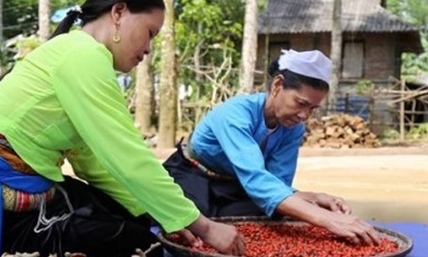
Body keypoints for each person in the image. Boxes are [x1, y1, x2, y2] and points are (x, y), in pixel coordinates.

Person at [0, 0, 245, 257]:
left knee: (135, 223)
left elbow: (93, 162)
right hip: (0, 208)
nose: (148, 48)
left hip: (26, 188)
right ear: (119, 12)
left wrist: (165, 215)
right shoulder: (83, 56)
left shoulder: (78, 51)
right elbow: (127, 156)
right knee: (143, 250)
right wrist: (205, 226)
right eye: (150, 32)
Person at [163, 49, 380, 245]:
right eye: (301, 103)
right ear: (277, 85)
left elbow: (276, 185)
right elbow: (257, 179)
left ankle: (217, 215)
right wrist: (326, 219)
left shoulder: (293, 128)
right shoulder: (235, 114)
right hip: (192, 173)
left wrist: (315, 198)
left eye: (312, 108)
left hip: (235, 184)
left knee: (275, 214)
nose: (304, 115)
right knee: (192, 218)